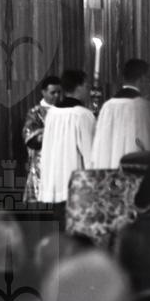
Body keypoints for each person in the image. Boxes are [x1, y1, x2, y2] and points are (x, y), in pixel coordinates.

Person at [39, 70, 95, 227]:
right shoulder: (83, 115)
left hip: (55, 182)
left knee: (60, 230)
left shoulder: (52, 114)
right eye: (87, 85)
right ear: (79, 86)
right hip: (77, 185)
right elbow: (90, 154)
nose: (89, 90)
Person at [91, 59, 150, 169]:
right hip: (135, 173)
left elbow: (98, 146)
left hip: (110, 170)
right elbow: (149, 146)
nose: (149, 84)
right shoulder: (145, 107)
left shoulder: (107, 106)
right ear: (142, 79)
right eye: (148, 80)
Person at [22, 76, 62, 204]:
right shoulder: (35, 112)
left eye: (59, 92)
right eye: (52, 92)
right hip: (42, 163)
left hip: (61, 161)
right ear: (43, 92)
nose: (56, 96)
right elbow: (29, 136)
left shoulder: (64, 111)